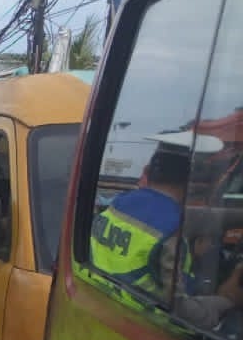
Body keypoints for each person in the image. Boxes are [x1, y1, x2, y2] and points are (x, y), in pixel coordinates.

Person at [91, 131, 243, 327]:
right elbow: (182, 313)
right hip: (147, 325)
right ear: (191, 179)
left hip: (107, 307)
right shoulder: (171, 230)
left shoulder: (119, 205)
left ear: (149, 170)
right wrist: (227, 298)